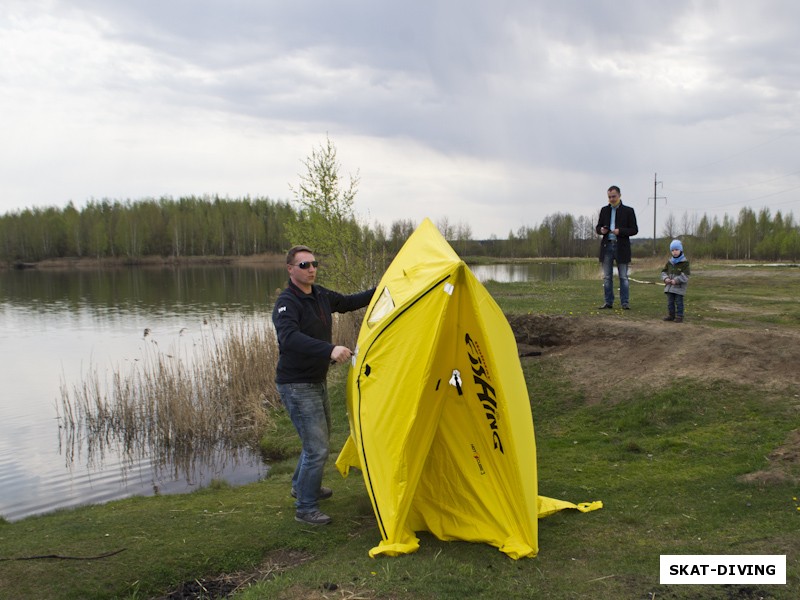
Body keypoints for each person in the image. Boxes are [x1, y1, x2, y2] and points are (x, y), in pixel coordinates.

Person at [272, 245, 375, 525]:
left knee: (316, 442)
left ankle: (302, 486)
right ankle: (306, 508)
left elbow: (350, 302)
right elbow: (290, 338)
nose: (311, 269)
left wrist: (384, 289)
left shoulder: (320, 295)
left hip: (316, 380)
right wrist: (329, 350)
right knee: (316, 447)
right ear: (290, 269)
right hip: (296, 384)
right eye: (304, 265)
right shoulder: (286, 303)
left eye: (314, 263)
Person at [596, 185, 638, 309]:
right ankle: (608, 302)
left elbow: (634, 230)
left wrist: (621, 232)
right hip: (607, 246)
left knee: (623, 276)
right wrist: (601, 230)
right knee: (607, 277)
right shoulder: (604, 210)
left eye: (614, 196)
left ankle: (625, 303)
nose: (612, 199)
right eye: (609, 197)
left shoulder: (628, 211)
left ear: (619, 195)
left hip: (622, 247)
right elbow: (598, 227)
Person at [661, 239, 690, 323]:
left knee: (678, 302)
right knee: (670, 302)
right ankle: (671, 315)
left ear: (680, 250)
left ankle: (679, 316)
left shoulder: (685, 263)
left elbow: (686, 275)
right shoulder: (669, 262)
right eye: (672, 250)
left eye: (676, 250)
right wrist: (665, 278)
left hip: (679, 288)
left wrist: (676, 280)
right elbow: (663, 272)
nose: (674, 252)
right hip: (669, 287)